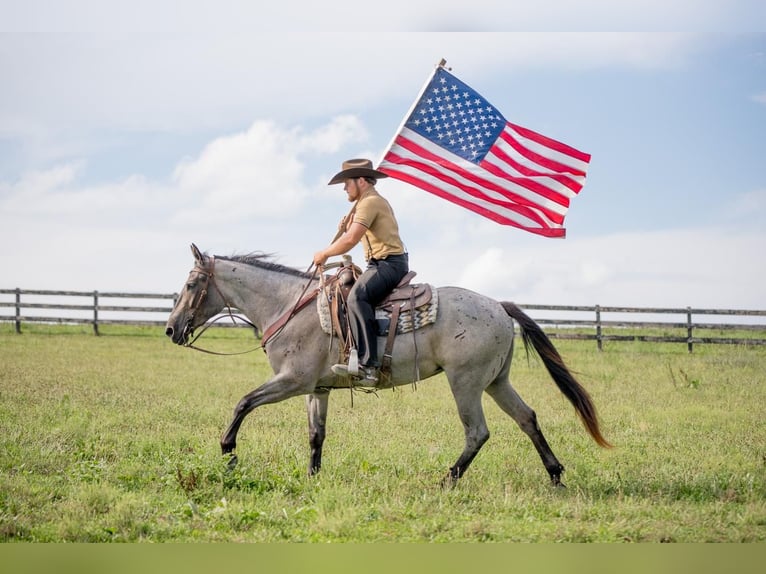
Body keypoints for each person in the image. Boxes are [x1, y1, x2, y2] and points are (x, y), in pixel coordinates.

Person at [313, 158, 409, 383]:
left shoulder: (370, 202)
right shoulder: (366, 202)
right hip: (379, 263)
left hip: (389, 264)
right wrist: (347, 225)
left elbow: (350, 240)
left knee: (357, 297)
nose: (345, 188)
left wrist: (325, 253)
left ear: (361, 181)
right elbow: (354, 234)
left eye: (347, 182)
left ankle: (369, 367)